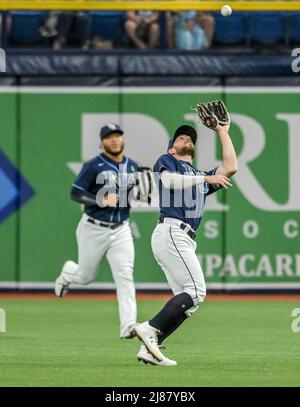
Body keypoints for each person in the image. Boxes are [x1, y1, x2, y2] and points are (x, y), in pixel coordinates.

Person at [134, 101, 238, 365]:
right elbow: (168, 181)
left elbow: (231, 167)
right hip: (171, 230)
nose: (186, 138)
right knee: (196, 290)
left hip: (182, 238)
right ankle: (149, 328)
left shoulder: (200, 175)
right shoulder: (167, 161)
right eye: (181, 137)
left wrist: (222, 132)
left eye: (190, 137)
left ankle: (150, 347)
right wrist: (206, 179)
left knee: (189, 302)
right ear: (172, 147)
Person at [54, 124, 152, 339]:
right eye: (109, 137)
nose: (114, 140)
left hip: (121, 229)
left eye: (117, 136)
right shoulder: (94, 166)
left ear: (122, 139)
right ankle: (68, 273)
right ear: (102, 142)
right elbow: (75, 193)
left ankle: (128, 326)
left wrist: (145, 189)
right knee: (85, 276)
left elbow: (141, 197)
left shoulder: (133, 166)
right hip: (93, 228)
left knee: (125, 276)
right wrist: (99, 199)